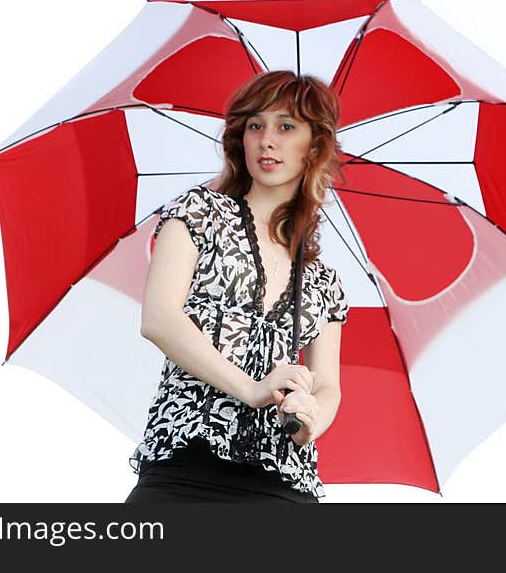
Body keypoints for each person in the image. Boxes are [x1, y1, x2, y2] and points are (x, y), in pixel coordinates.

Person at [125, 70, 350, 503]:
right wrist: (252, 389)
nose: (267, 140)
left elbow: (328, 386)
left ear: (315, 146)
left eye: (287, 126)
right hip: (183, 473)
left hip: (283, 487)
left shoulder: (323, 281)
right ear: (239, 139)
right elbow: (159, 319)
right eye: (255, 125)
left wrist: (309, 421)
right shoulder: (197, 212)